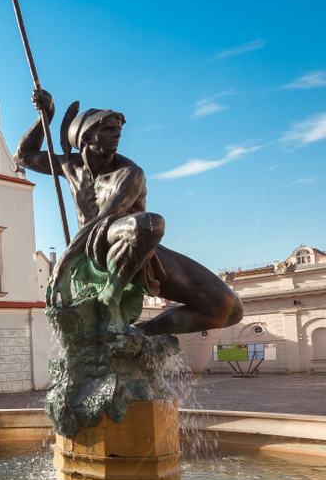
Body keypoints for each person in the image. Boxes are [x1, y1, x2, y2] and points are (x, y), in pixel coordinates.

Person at [15, 88, 243, 335]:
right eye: (109, 130)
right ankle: (109, 300)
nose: (117, 136)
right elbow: (23, 156)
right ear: (86, 137)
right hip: (94, 251)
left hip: (136, 248)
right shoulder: (70, 166)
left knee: (229, 308)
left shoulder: (130, 173)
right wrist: (46, 117)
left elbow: (105, 220)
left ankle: (140, 332)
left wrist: (62, 264)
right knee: (148, 224)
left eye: (118, 131)